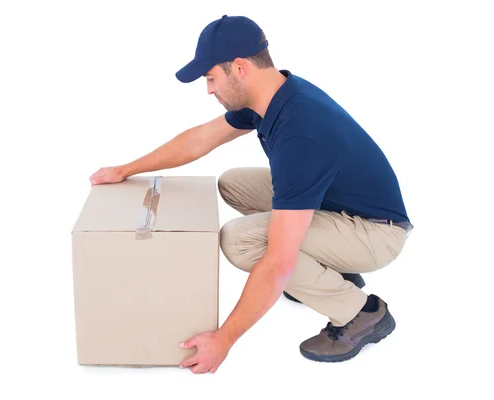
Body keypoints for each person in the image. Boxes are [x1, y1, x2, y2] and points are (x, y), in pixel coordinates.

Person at [89, 15, 413, 374]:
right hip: (341, 207)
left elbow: (278, 262)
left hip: (376, 233)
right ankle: (328, 271)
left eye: (211, 78)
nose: (209, 89)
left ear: (239, 68)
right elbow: (200, 139)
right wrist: (127, 169)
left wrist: (223, 339)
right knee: (233, 183)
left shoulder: (301, 134)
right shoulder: (275, 95)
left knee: (240, 242)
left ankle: (360, 313)